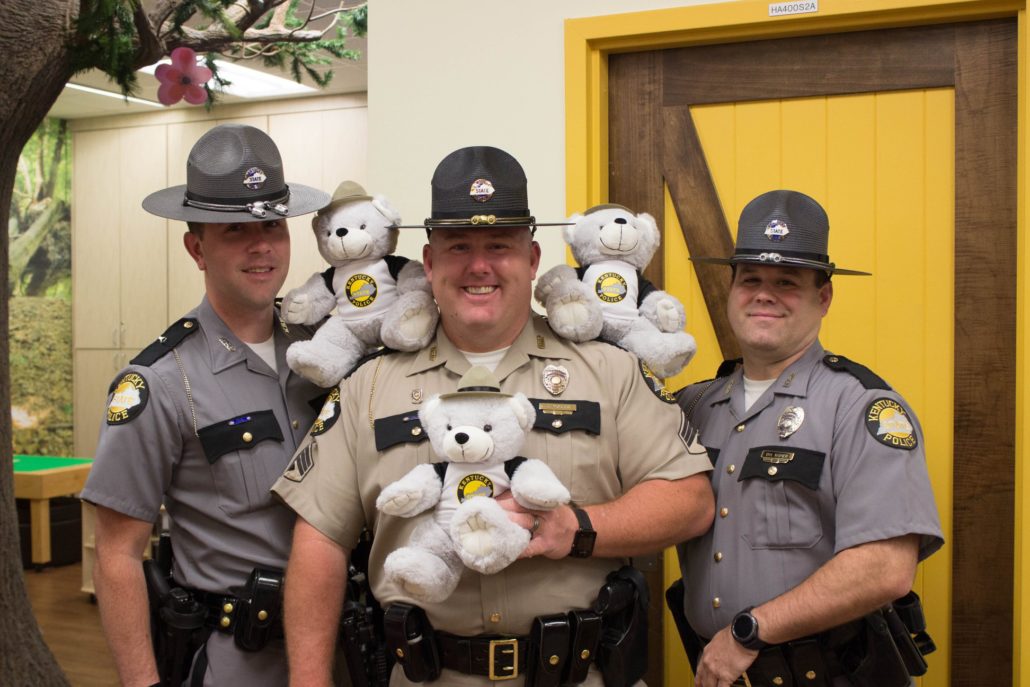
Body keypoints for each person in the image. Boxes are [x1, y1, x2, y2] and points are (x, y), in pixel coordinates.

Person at [271, 145, 715, 686]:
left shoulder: (611, 370)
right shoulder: (368, 385)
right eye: (459, 246)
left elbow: (689, 501)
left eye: (499, 246)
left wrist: (574, 529)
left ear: (531, 260)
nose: (479, 266)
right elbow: (320, 538)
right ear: (429, 263)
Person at [80, 123, 331, 687]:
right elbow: (118, 555)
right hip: (239, 659)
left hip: (343, 652)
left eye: (272, 224)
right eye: (235, 230)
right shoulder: (160, 382)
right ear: (197, 247)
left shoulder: (325, 354)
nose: (261, 245)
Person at [672, 190, 944, 687]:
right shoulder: (692, 406)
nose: (764, 294)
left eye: (787, 282)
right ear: (731, 291)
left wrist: (748, 633)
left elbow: (885, 568)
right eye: (750, 279)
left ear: (824, 298)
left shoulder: (863, 407)